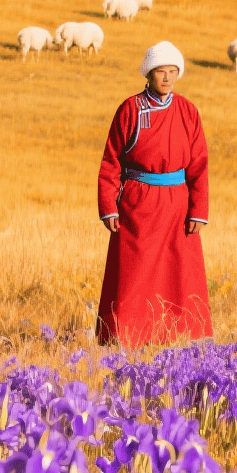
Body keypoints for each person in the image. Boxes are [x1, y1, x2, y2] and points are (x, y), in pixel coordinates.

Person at [96, 40, 213, 347]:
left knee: (180, 274)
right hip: (139, 205)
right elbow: (111, 162)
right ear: (148, 73)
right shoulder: (130, 109)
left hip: (177, 206)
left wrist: (198, 210)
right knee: (134, 275)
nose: (167, 77)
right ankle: (126, 338)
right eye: (161, 71)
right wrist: (109, 206)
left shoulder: (188, 111)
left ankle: (181, 337)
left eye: (173, 71)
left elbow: (199, 165)